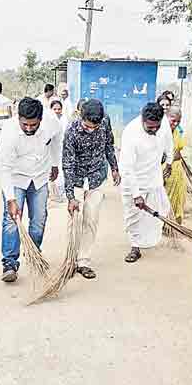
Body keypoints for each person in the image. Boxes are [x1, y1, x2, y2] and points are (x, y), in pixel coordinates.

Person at [0, 98, 63, 282]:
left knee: (39, 220)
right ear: (18, 118)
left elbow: (57, 139)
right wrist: (10, 199)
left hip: (40, 177)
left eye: (33, 125)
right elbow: (4, 168)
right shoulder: (9, 133)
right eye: (24, 124)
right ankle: (9, 263)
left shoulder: (51, 122)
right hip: (16, 179)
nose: (28, 128)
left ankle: (34, 254)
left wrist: (55, 163)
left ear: (41, 119)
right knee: (11, 221)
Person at [63, 99, 120, 279]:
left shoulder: (104, 123)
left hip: (96, 178)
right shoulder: (71, 132)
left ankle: (83, 261)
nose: (91, 130)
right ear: (81, 116)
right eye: (87, 127)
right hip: (78, 180)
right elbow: (68, 164)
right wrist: (71, 196)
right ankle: (70, 260)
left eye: (94, 127)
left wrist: (115, 168)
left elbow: (109, 145)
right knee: (75, 221)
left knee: (91, 220)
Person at [119, 102, 174, 264]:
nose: (154, 131)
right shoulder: (131, 132)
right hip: (134, 180)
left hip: (154, 177)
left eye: (156, 127)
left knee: (159, 210)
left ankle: (149, 240)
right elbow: (127, 168)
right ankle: (135, 246)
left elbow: (168, 141)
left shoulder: (162, 124)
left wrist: (169, 161)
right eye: (150, 128)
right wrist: (136, 195)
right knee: (133, 215)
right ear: (142, 120)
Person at [163, 106, 187, 224]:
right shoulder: (160, 132)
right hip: (165, 169)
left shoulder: (177, 132)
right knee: (165, 197)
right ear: (166, 117)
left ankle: (174, 224)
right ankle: (164, 222)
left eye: (178, 121)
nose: (176, 123)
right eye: (173, 120)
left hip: (177, 169)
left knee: (178, 197)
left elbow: (178, 151)